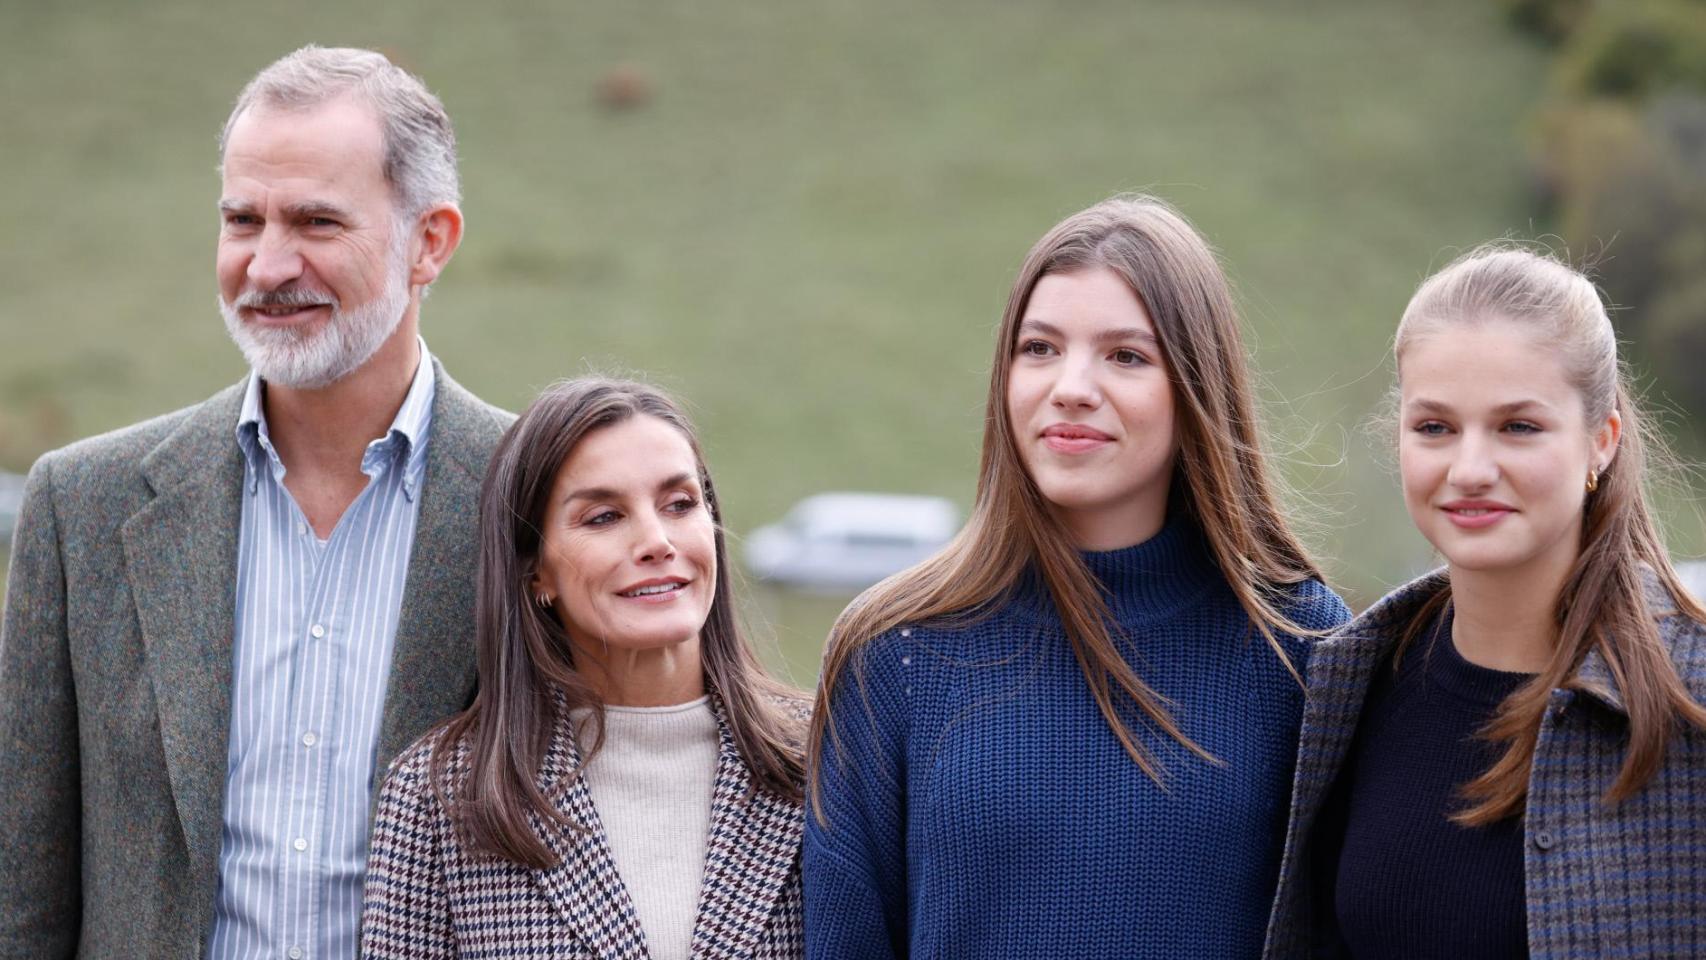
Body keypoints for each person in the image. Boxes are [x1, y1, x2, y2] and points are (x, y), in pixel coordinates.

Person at [0, 46, 511, 958]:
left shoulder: (537, 497)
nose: (269, 266)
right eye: (243, 220)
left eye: (317, 221)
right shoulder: (82, 508)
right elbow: (22, 894)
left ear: (430, 241)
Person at [803, 195, 1352, 959]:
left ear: (1197, 386)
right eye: (1040, 348)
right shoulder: (891, 650)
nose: (1071, 386)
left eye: (1125, 356)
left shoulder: (1303, 644)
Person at [1262, 246, 1706, 959]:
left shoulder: (1690, 693)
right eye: (1435, 427)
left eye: (1517, 427)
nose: (1470, 469)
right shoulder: (1347, 683)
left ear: (1602, 442)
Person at [361, 378, 810, 959]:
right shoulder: (440, 798)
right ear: (535, 572)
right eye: (603, 517)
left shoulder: (825, 760)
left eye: (680, 504)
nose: (656, 541)